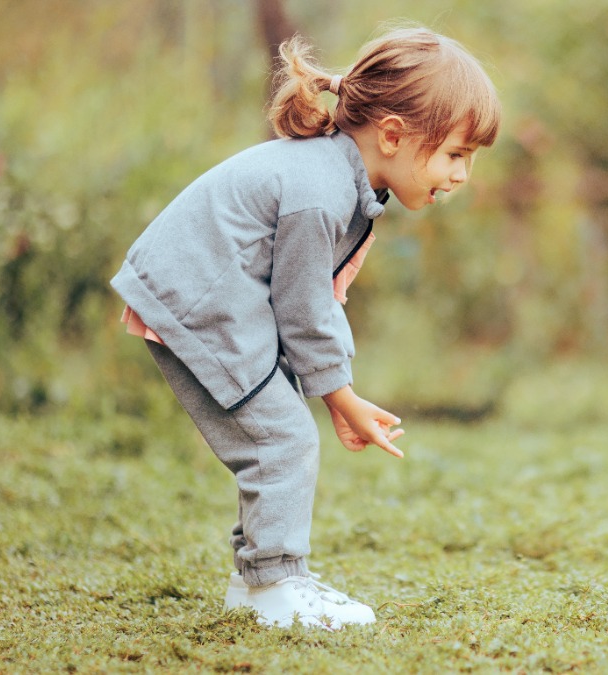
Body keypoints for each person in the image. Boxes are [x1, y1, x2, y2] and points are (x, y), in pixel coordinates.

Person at [110, 26, 500, 630]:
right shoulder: (318, 191)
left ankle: (258, 582)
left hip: (212, 297)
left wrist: (332, 392)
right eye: (456, 154)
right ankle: (275, 586)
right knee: (282, 440)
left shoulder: (340, 180)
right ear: (393, 135)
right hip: (198, 300)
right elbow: (304, 308)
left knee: (277, 433)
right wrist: (341, 398)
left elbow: (301, 301)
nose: (462, 175)